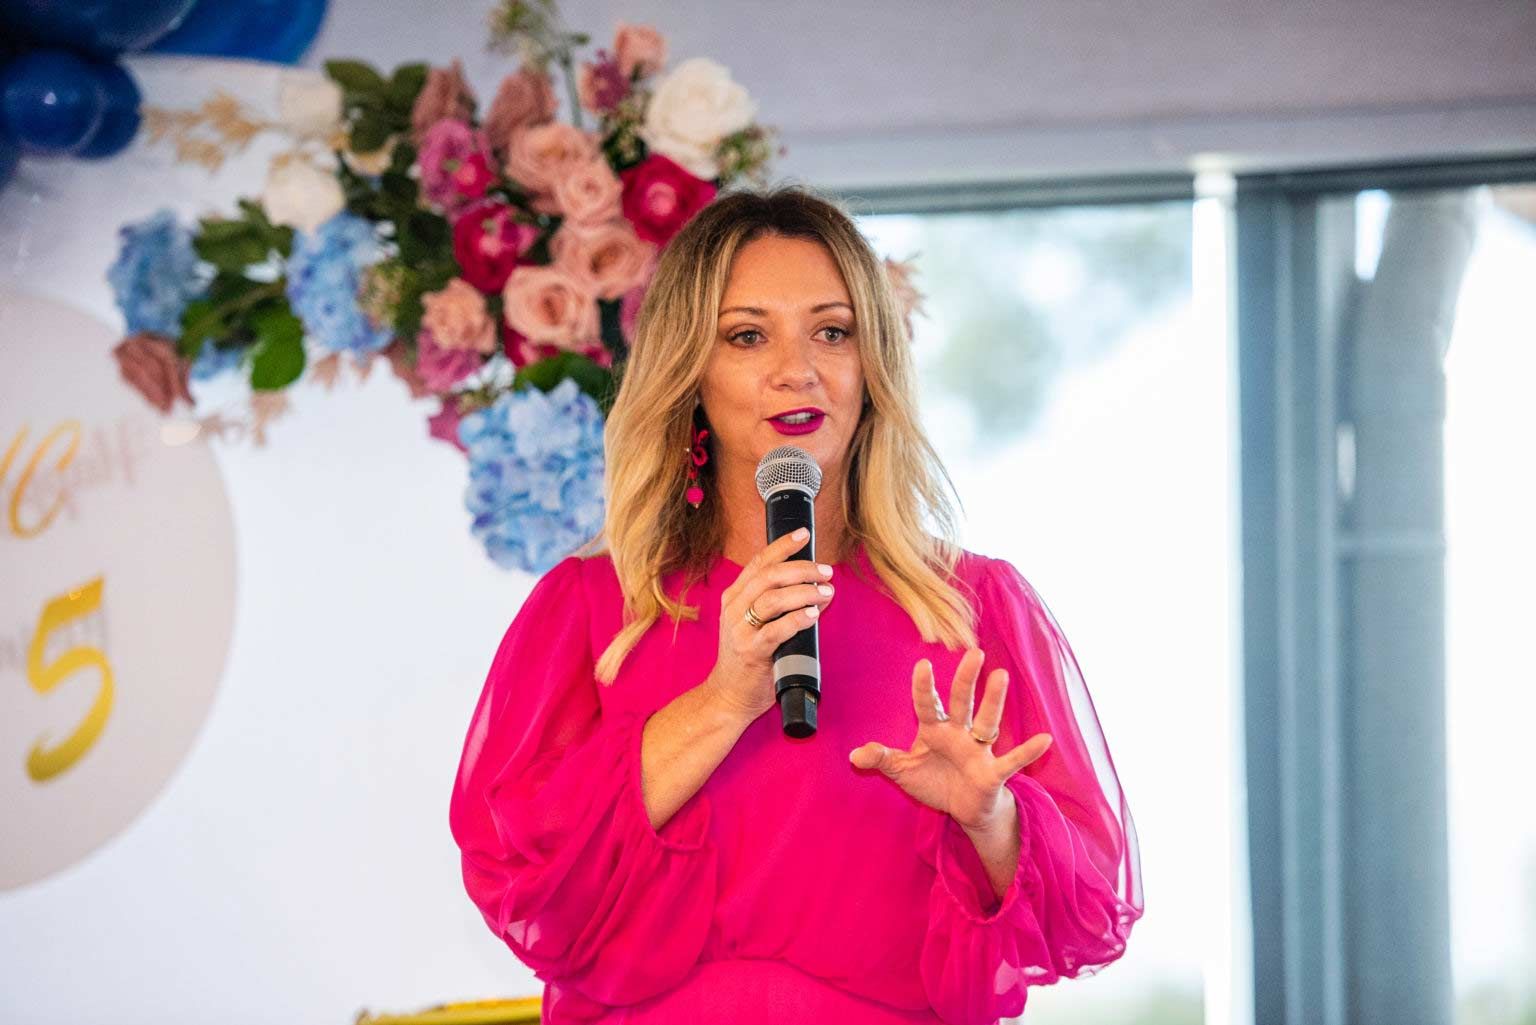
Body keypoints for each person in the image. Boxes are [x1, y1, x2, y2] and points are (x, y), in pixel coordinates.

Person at [448, 185, 1143, 1025]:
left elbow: (1085, 910)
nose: (797, 369)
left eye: (833, 331)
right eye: (747, 335)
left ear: (872, 363)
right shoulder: (596, 604)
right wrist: (722, 698)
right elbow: (521, 874)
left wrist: (993, 820)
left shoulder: (973, 607)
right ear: (690, 372)